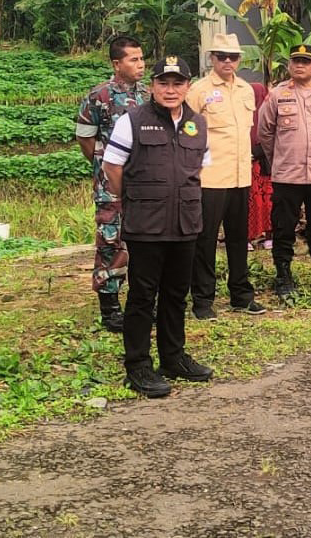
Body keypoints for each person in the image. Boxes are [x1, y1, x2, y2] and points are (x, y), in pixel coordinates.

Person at [101, 55, 215, 398]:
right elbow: (112, 167)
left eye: (177, 83)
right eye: (163, 83)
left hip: (185, 224)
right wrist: (138, 198)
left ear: (187, 87)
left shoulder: (198, 124)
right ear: (151, 86)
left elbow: (199, 170)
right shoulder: (132, 121)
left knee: (176, 294)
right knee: (141, 297)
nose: (170, 89)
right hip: (146, 225)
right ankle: (137, 365)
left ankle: (173, 356)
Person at [256, 44, 311, 302]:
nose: (300, 65)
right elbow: (265, 132)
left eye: (306, 62)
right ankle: (283, 276)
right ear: (289, 66)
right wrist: (281, 159)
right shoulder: (277, 95)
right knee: (283, 227)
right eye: (295, 61)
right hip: (287, 174)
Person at [185, 33, 265, 319]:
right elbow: (186, 131)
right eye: (221, 56)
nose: (227, 62)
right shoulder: (199, 90)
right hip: (210, 179)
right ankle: (203, 301)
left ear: (240, 60)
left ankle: (241, 296)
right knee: (205, 242)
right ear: (212, 59)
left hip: (240, 177)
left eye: (233, 57)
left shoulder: (245, 89)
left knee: (238, 239)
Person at [74, 36, 149, 332]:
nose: (140, 65)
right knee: (111, 240)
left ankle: (140, 302)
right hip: (111, 186)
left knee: (144, 241)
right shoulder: (99, 96)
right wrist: (104, 166)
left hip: (144, 182)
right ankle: (110, 307)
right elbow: (85, 138)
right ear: (117, 64)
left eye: (142, 59)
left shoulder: (149, 95)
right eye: (133, 59)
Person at [249, 81, 274, 246]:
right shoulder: (243, 114)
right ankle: (249, 236)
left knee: (268, 203)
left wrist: (256, 152)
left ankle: (270, 236)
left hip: (265, 166)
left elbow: (271, 136)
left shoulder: (268, 114)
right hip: (249, 168)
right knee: (251, 203)